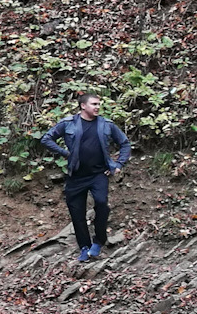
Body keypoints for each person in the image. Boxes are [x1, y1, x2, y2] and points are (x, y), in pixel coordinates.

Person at [40, 94, 130, 262]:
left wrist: (118, 164)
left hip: (99, 174)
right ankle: (84, 247)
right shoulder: (68, 123)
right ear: (83, 106)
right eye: (94, 104)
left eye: (99, 104)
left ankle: (99, 240)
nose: (97, 107)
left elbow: (124, 143)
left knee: (102, 203)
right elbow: (46, 138)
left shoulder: (106, 125)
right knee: (77, 213)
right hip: (76, 176)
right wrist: (65, 153)